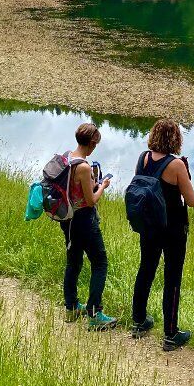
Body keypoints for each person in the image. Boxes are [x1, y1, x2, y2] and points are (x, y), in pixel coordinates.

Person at [130, 119, 194, 352]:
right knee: (172, 278)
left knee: (145, 269)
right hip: (173, 229)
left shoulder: (143, 158)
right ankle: (171, 334)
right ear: (176, 139)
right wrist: (186, 176)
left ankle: (139, 321)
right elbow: (192, 201)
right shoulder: (176, 164)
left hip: (149, 225)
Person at [60, 122, 116, 330]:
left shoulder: (68, 158)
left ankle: (72, 306)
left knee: (73, 263)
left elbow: (77, 188)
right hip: (85, 219)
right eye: (96, 143)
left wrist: (93, 182)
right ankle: (95, 313)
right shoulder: (83, 167)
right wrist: (102, 186)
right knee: (100, 263)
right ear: (92, 143)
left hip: (69, 220)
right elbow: (91, 200)